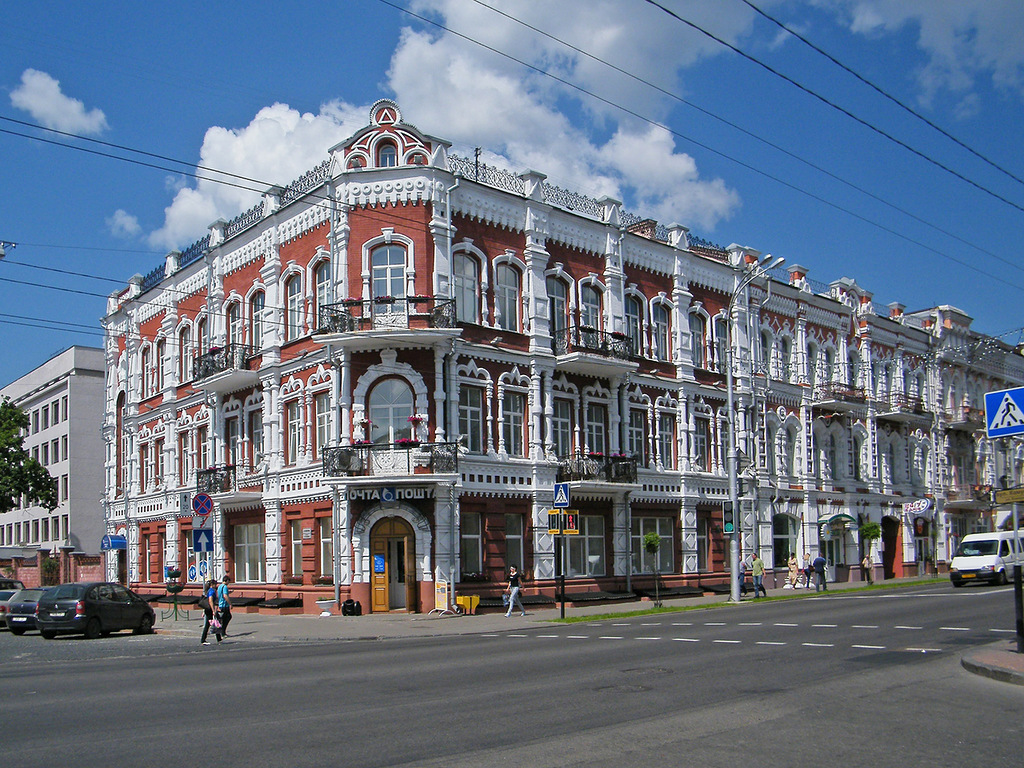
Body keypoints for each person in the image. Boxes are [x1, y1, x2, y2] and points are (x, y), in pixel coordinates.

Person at [199, 578, 222, 645]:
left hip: (208, 610)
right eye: (215, 584)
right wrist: (213, 610)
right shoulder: (211, 591)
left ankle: (219, 638)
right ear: (212, 585)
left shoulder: (210, 591)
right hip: (210, 610)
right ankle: (203, 639)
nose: (216, 585)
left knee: (216, 622)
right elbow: (210, 601)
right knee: (209, 624)